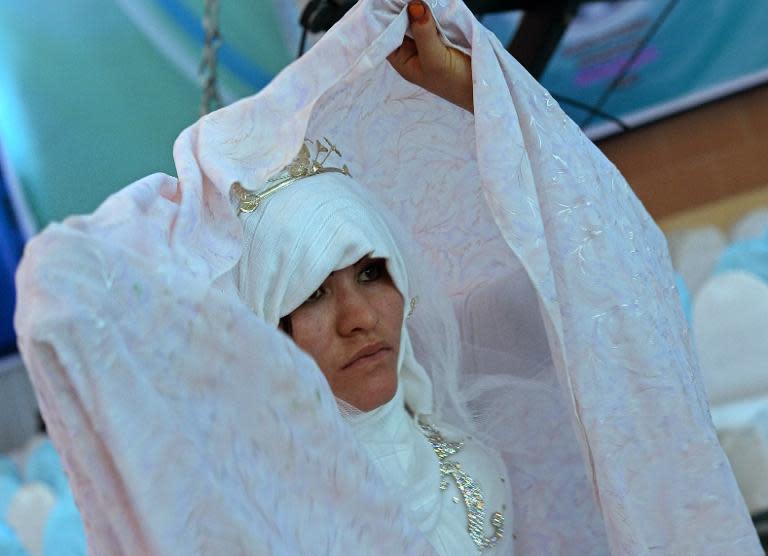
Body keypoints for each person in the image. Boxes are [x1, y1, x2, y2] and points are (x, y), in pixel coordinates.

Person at [14, 1, 761, 554]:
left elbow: (598, 273)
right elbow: (57, 302)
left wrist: (472, 87)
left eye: (372, 273)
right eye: (307, 293)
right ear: (264, 328)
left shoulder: (456, 404)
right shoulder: (268, 512)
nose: (357, 317)